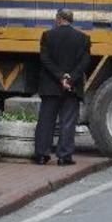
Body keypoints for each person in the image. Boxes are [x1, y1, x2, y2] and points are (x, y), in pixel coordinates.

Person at [33, 9, 91, 166]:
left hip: (51, 86)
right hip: (72, 88)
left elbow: (45, 59)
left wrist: (60, 76)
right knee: (68, 122)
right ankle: (64, 156)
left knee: (46, 121)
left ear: (58, 19)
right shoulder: (83, 38)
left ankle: (42, 155)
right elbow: (84, 63)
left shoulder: (47, 36)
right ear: (71, 20)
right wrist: (69, 78)